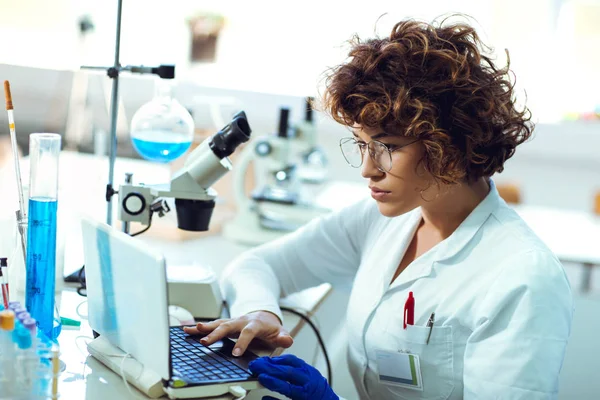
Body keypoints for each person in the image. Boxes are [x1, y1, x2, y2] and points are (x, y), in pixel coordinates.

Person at [185, 16, 573, 399]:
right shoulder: (384, 219)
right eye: (360, 144)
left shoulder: (522, 279)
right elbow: (256, 265)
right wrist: (261, 312)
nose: (368, 169)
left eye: (388, 147)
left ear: (452, 148)